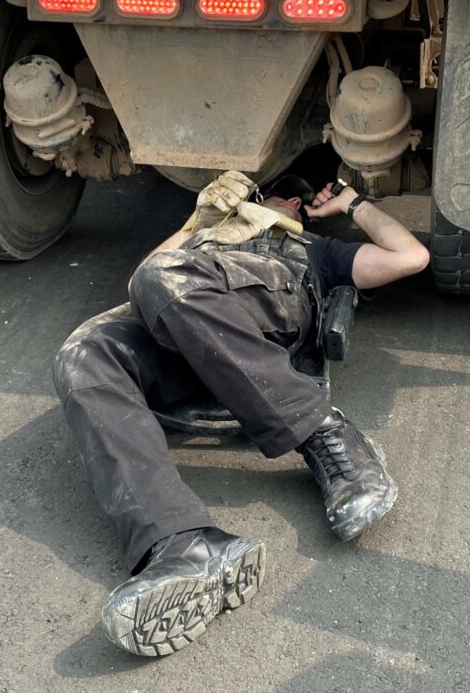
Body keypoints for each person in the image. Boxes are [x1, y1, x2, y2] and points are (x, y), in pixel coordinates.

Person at [53, 173, 430, 657]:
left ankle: (326, 434)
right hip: (181, 316)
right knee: (84, 352)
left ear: (293, 202)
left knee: (166, 274)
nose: (247, 202)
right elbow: (139, 283)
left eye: (263, 196)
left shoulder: (313, 248)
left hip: (267, 307)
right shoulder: (202, 237)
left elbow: (411, 256)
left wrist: (351, 205)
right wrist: (199, 221)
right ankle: (179, 543)